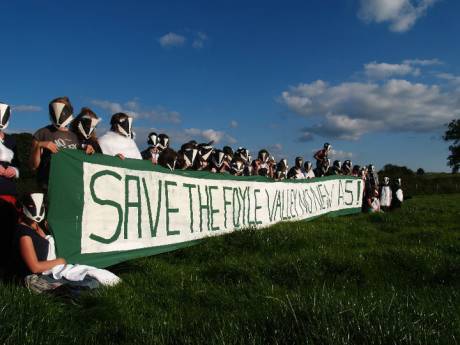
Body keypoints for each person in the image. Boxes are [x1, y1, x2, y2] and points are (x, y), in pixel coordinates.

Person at [12, 193, 66, 290]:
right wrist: (60, 261)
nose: (36, 209)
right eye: (31, 206)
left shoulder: (36, 226)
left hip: (48, 270)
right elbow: (35, 267)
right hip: (32, 278)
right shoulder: (24, 234)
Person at [30, 97, 82, 191]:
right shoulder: (42, 133)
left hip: (70, 185)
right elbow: (33, 166)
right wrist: (39, 146)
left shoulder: (75, 137)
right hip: (48, 186)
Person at [0, 102, 20, 272]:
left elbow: (20, 164)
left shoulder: (12, 140)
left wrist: (13, 170)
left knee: (8, 231)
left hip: (9, 192)